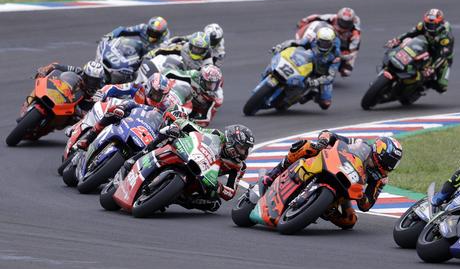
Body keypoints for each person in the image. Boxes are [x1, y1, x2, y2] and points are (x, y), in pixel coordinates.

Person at [261, 130, 403, 229]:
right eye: (387, 162)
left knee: (350, 221)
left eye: (392, 165)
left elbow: (366, 205)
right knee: (307, 146)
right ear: (378, 152)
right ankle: (274, 173)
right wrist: (323, 141)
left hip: (346, 189)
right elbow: (329, 134)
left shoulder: (381, 179)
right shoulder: (361, 145)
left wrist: (361, 197)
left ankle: (322, 208)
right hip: (331, 164)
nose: (387, 167)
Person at [119, 118, 255, 212]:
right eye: (242, 148)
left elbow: (230, 192)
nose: (243, 153)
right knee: (168, 132)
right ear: (231, 141)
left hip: (204, 178)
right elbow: (196, 130)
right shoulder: (217, 135)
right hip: (190, 156)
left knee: (214, 203)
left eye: (246, 149)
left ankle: (174, 198)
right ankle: (137, 157)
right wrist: (179, 126)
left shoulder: (239, 167)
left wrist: (217, 187)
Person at [271, 27, 341, 109]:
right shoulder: (311, 39)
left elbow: (330, 76)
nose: (324, 45)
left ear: (332, 43)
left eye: (327, 43)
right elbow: (294, 42)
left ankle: (309, 95)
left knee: (325, 104)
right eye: (321, 42)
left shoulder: (336, 55)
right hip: (305, 64)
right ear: (317, 39)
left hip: (320, 74)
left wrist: (316, 82)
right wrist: (280, 46)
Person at [386, 9, 454, 93]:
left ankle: (422, 86)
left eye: (432, 25)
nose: (429, 27)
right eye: (428, 24)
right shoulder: (422, 25)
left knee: (442, 86)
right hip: (430, 47)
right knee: (412, 49)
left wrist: (432, 67)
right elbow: (409, 34)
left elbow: (442, 56)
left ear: (439, 24)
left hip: (443, 56)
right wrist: (397, 40)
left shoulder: (445, 37)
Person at [23, 61, 105, 119]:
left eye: (95, 80)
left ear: (100, 80)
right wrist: (45, 70)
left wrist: (85, 113)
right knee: (41, 83)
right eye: (90, 78)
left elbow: (101, 107)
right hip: (65, 95)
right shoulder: (78, 71)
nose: (92, 82)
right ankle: (27, 105)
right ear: (84, 74)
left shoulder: (101, 89)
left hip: (77, 109)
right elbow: (56, 66)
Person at [297, 7, 361, 76]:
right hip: (325, 37)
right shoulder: (332, 18)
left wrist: (348, 62)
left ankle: (329, 70)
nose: (344, 25)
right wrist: (304, 21)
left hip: (341, 46)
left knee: (347, 71)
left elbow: (354, 51)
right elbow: (317, 17)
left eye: (347, 23)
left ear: (352, 21)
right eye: (343, 22)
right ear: (338, 18)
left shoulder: (355, 34)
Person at [94, 73, 175, 110]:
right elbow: (115, 87)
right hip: (127, 114)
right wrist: (102, 93)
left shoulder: (166, 105)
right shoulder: (137, 87)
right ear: (149, 87)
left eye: (159, 96)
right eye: (155, 93)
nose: (156, 97)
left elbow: (176, 116)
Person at [146, 32, 213, 70]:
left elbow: (210, 73)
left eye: (200, 49)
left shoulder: (208, 59)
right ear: (190, 46)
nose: (197, 51)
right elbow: (163, 50)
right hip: (180, 74)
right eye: (195, 48)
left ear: (205, 50)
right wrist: (149, 56)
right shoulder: (183, 47)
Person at [105, 16, 170, 53]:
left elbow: (162, 52)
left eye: (155, 33)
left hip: (153, 59)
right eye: (150, 30)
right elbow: (122, 30)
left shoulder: (165, 40)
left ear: (162, 34)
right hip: (141, 52)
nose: (151, 34)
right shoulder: (142, 28)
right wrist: (110, 36)